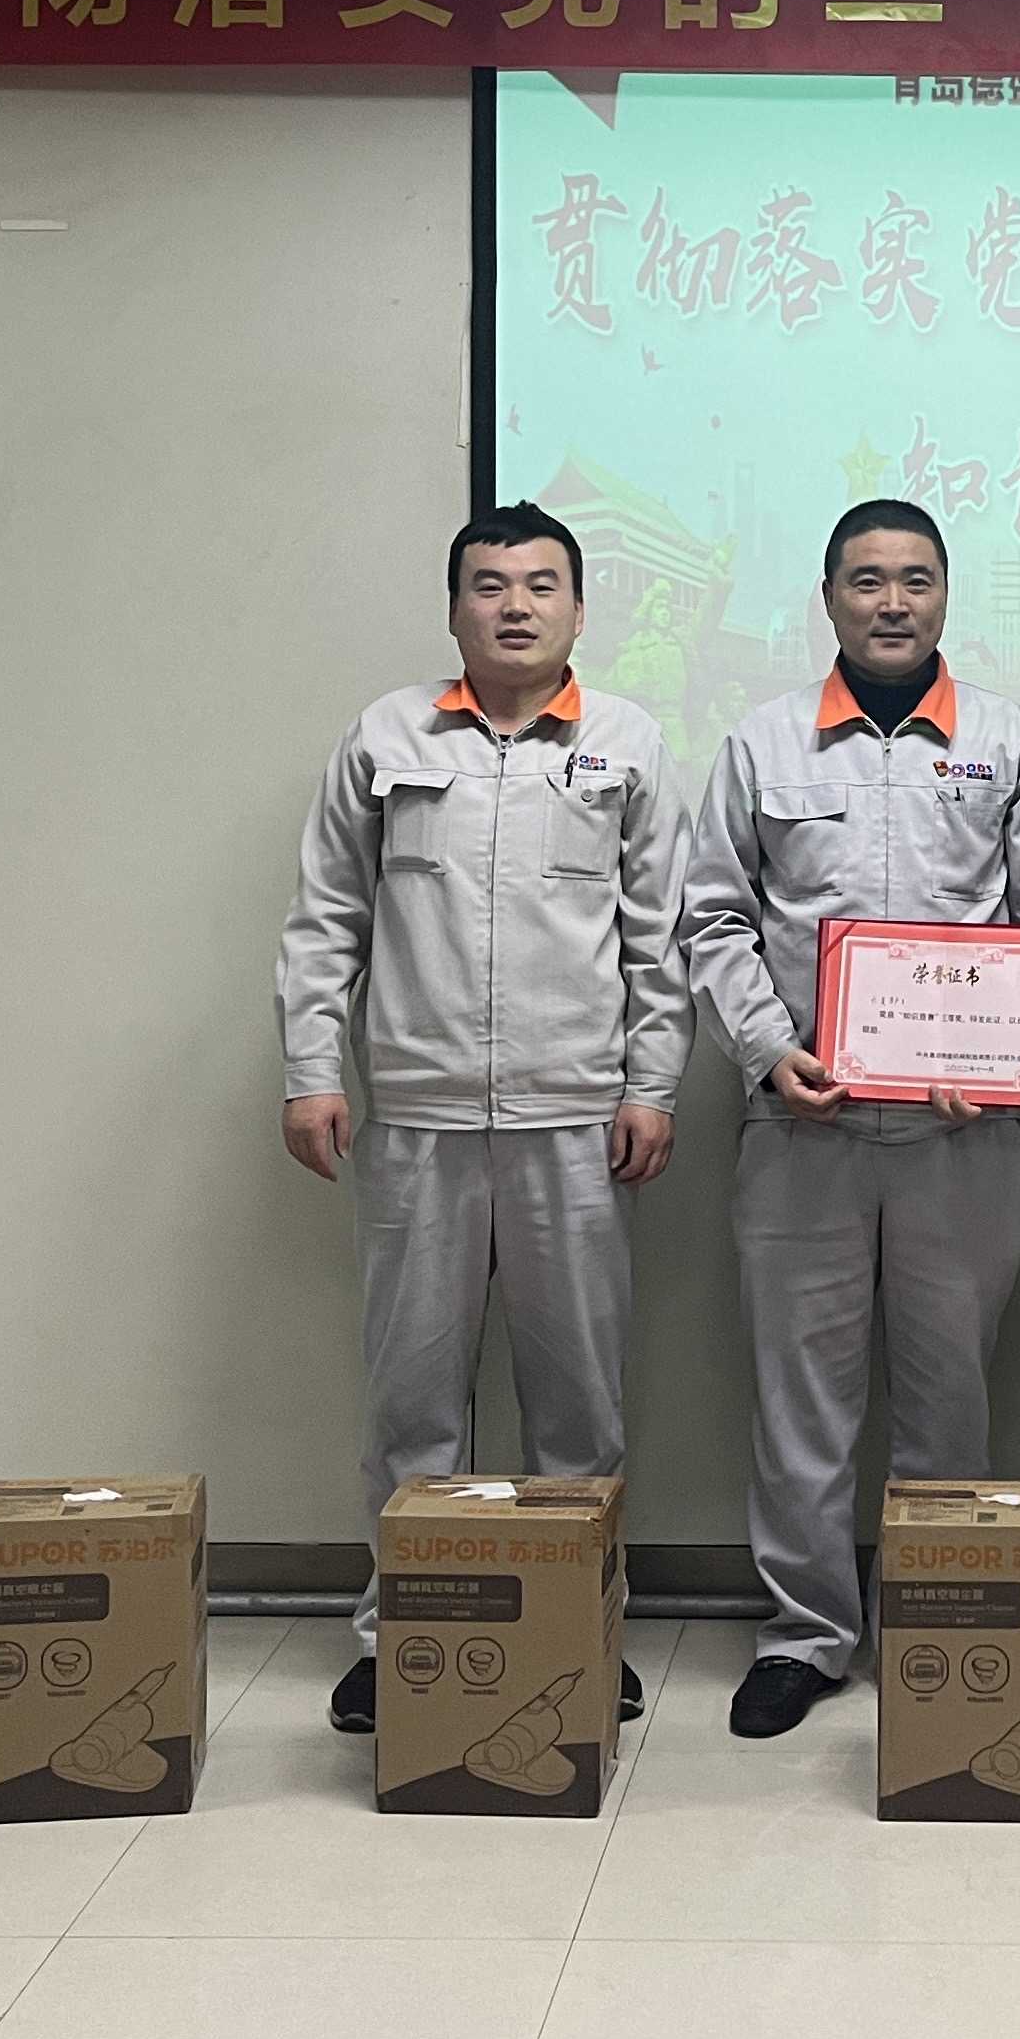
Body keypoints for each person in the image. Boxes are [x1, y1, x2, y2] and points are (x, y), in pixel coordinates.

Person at [677, 499, 1020, 1739]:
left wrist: (1012, 1063)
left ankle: (935, 1627)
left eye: (916, 579)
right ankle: (804, 1637)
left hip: (962, 1139)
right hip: (800, 1129)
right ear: (829, 598)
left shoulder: (1008, 742)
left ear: (947, 595)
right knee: (800, 1401)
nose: (893, 602)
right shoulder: (763, 745)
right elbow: (713, 918)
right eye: (867, 580)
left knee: (947, 1398)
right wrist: (769, 1050)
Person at [277, 503, 686, 1736]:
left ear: (580, 609)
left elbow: (659, 939)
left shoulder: (627, 742)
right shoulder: (386, 737)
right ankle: (400, 1635)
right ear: (455, 608)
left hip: (577, 1119)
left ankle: (577, 1633)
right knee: (413, 1403)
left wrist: (651, 1086)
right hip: (419, 1116)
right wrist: (312, 1068)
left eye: (541, 585)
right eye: (491, 585)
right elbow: (327, 920)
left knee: (578, 1409)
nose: (516, 607)